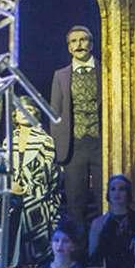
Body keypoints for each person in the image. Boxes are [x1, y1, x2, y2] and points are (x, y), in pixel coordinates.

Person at [50, 26, 101, 233]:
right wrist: (58, 152)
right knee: (75, 204)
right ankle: (77, 248)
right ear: (69, 47)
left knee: (103, 199)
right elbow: (55, 115)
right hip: (73, 148)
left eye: (83, 39)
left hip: (101, 145)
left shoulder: (105, 71)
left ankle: (102, 246)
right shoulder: (61, 75)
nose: (79, 44)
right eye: (74, 41)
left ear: (92, 43)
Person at [7, 96, 62, 267]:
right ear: (15, 115)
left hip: (38, 193)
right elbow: (4, 169)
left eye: (29, 110)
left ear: (35, 114)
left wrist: (25, 189)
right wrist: (10, 186)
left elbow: (48, 173)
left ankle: (36, 259)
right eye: (20, 110)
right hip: (11, 193)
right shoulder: (8, 141)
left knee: (31, 206)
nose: (24, 113)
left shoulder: (45, 140)